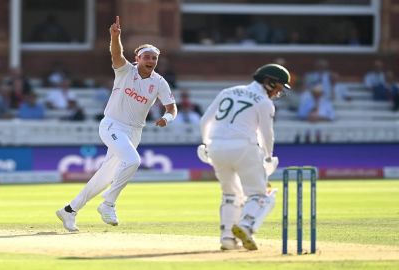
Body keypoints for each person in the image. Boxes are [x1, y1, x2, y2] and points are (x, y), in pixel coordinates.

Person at [56, 16, 177, 232]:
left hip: (134, 132)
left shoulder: (159, 82)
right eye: (146, 57)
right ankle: (108, 204)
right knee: (132, 160)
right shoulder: (125, 70)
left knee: (104, 177)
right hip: (112, 125)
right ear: (137, 58)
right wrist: (115, 36)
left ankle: (69, 210)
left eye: (154, 58)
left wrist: (166, 118)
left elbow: (171, 108)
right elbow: (116, 54)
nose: (150, 61)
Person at [198, 63, 291, 251]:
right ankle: (246, 225)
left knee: (230, 194)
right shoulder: (264, 102)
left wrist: (207, 144)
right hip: (243, 147)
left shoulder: (228, 92)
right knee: (261, 195)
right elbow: (266, 134)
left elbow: (204, 120)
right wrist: (267, 157)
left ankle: (227, 238)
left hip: (216, 147)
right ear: (269, 82)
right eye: (279, 87)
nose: (278, 92)